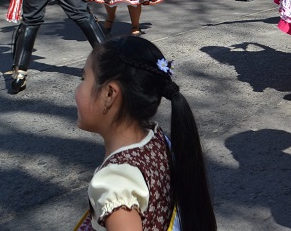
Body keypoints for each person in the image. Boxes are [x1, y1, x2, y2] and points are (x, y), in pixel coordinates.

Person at [73, 36, 217, 231]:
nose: (78, 89)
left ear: (109, 94)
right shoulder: (155, 139)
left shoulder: (115, 184)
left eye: (83, 79)